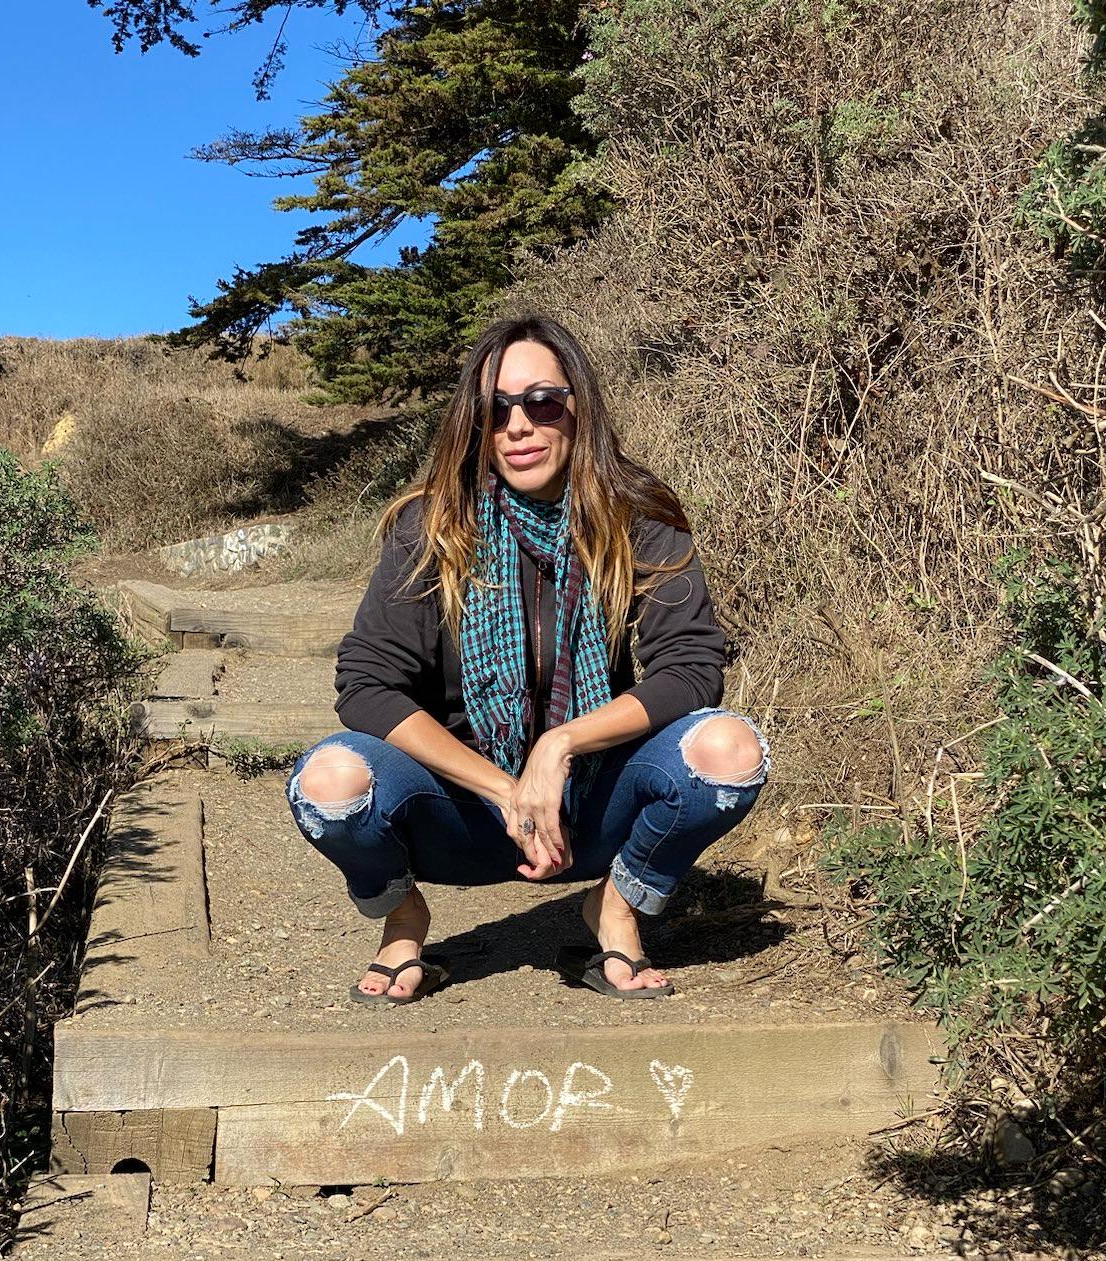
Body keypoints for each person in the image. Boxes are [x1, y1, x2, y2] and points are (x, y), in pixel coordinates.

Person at [285, 313, 770, 1004]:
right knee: (328, 782)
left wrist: (560, 746)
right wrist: (501, 787)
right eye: (496, 409)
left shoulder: (640, 517)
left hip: (591, 804)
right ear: (474, 423)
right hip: (462, 813)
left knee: (729, 751)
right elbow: (366, 684)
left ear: (578, 409)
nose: (519, 425)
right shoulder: (431, 528)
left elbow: (691, 666)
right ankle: (401, 917)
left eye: (542, 401)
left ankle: (618, 905)